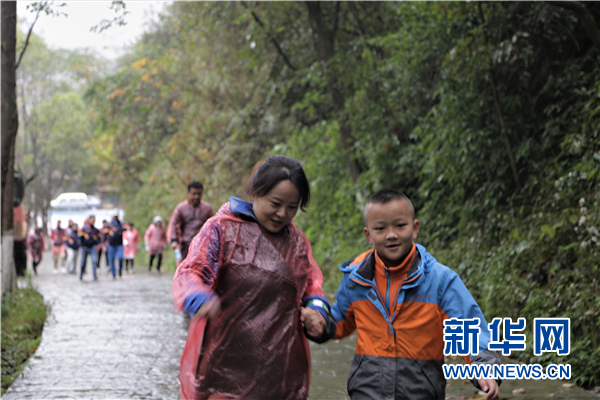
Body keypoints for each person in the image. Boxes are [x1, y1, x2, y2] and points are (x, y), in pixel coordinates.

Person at [314, 189, 501, 400]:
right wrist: (319, 323)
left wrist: (484, 368)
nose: (391, 234)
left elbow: (468, 326)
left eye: (400, 225)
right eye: (380, 228)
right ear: (368, 235)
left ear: (415, 228)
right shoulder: (355, 279)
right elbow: (341, 319)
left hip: (421, 392)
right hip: (367, 391)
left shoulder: (440, 280)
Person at [172, 155, 330, 400]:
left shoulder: (297, 242)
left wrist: (316, 310)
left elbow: (311, 287)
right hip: (225, 361)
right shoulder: (221, 229)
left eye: (292, 207)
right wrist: (198, 297)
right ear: (255, 192)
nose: (282, 214)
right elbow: (192, 270)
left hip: (279, 366)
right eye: (275, 203)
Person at [168, 181, 214, 262]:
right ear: (188, 193)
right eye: (194, 194)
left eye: (199, 194)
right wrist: (174, 240)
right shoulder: (181, 208)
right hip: (186, 245)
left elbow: (213, 225)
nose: (196, 196)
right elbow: (174, 224)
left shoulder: (207, 208)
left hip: (203, 246)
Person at [79, 215, 101, 281]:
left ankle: (94, 275)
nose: (93, 221)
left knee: (94, 261)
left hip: (92, 247)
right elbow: (80, 237)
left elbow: (99, 239)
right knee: (83, 262)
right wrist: (82, 245)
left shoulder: (96, 230)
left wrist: (95, 241)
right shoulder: (84, 229)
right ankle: (81, 274)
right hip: (85, 247)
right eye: (91, 219)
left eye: (94, 220)